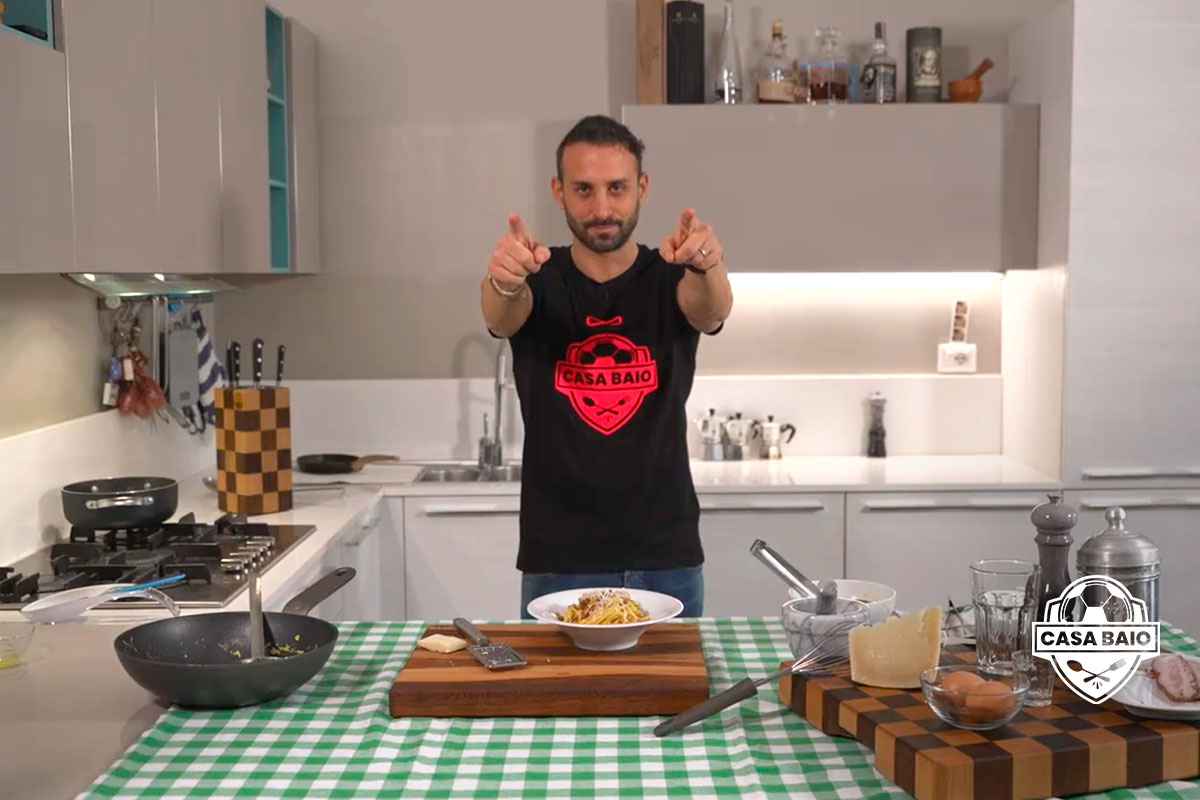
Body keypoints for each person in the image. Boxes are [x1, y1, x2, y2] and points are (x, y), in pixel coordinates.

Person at [480, 114, 733, 618]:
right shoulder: (536, 275)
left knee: (676, 699)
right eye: (584, 189)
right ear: (558, 191)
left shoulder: (672, 275)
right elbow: (502, 313)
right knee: (563, 699)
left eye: (616, 188)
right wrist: (505, 281)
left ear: (642, 187)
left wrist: (707, 265)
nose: (601, 208)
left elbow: (712, 309)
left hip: (666, 553)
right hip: (559, 558)